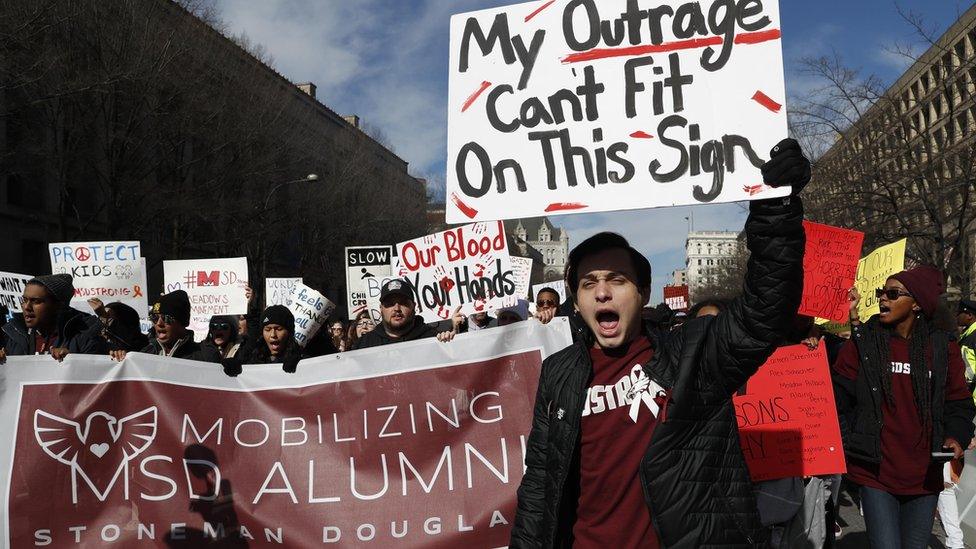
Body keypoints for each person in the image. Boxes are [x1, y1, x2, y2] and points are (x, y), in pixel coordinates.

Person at [510, 138, 810, 548]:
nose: (602, 293)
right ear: (576, 302)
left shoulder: (692, 356)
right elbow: (540, 481)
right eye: (588, 284)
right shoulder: (559, 371)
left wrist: (775, 210)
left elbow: (765, 312)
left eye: (617, 280)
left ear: (644, 292)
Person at [832, 268, 976, 549]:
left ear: (917, 303)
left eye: (892, 294)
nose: (882, 299)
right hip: (876, 473)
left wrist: (955, 437)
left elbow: (958, 402)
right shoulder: (865, 341)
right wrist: (851, 438)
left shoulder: (941, 347)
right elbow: (838, 396)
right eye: (880, 293)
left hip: (924, 475)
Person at [1, 274, 104, 361]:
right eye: (24, 300)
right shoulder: (15, 335)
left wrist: (74, 361)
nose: (26, 307)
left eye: (36, 301)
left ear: (58, 305)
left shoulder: (85, 336)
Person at [113, 290, 220, 363]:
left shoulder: (204, 356)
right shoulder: (145, 353)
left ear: (182, 322)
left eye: (166, 318)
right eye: (154, 318)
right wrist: (120, 359)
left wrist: (231, 368)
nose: (159, 323)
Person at [352, 279, 461, 350]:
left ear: (414, 306)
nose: (396, 309)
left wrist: (451, 344)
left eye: (403, 303)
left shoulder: (433, 339)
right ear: (381, 308)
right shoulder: (363, 345)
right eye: (390, 304)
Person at [956, 299, 976, 392]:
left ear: (969, 315)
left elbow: (969, 374)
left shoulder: (970, 340)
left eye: (959, 313)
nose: (957, 317)